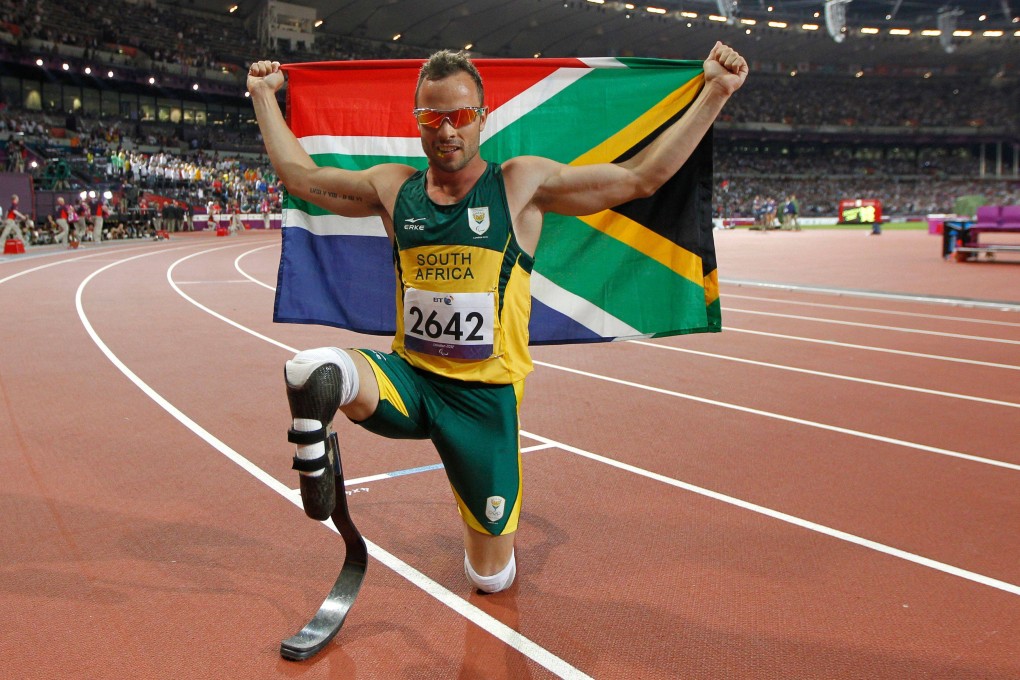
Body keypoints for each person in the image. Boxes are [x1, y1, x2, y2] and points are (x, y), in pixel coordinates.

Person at [247, 42, 747, 594]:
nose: (446, 131)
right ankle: (313, 468)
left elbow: (638, 178)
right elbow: (300, 176)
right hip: (409, 380)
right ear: (417, 122)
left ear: (482, 118)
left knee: (491, 579)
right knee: (313, 369)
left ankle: (484, 532)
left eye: (460, 116)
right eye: (431, 117)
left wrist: (714, 92)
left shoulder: (518, 186)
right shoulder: (393, 190)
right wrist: (264, 96)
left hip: (483, 405)